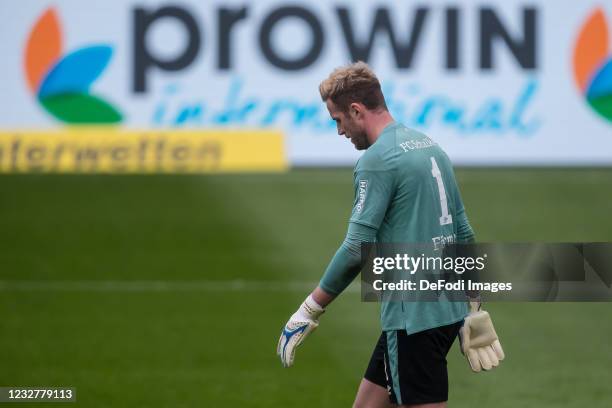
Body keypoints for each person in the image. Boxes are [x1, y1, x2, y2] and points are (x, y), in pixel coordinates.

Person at [277, 62, 503, 408]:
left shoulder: (378, 160)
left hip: (412, 318)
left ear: (356, 111)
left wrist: (310, 309)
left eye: (338, 120)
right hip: (443, 310)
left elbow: (356, 248)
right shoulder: (428, 145)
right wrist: (472, 302)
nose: (339, 132)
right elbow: (463, 230)